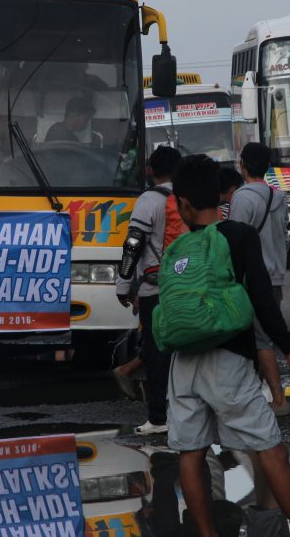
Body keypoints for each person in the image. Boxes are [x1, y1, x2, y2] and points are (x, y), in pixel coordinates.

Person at [164, 154, 290, 537]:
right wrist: (289, 349)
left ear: (182, 202)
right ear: (220, 194)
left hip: (183, 363)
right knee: (271, 451)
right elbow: (262, 299)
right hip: (228, 361)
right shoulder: (239, 236)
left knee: (192, 453)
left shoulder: (179, 247)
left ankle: (207, 534)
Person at [114, 145, 182, 434]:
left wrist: (123, 283)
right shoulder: (187, 197)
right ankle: (187, 414)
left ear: (151, 170)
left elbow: (134, 243)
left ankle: (157, 418)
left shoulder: (149, 200)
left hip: (155, 289)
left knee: (156, 352)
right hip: (186, 285)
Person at [227, 142, 290, 416]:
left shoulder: (242, 198)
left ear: (243, 165)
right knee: (266, 333)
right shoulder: (278, 197)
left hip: (254, 278)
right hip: (275, 275)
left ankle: (278, 400)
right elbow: (285, 237)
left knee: (261, 339)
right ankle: (256, 395)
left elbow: (236, 240)